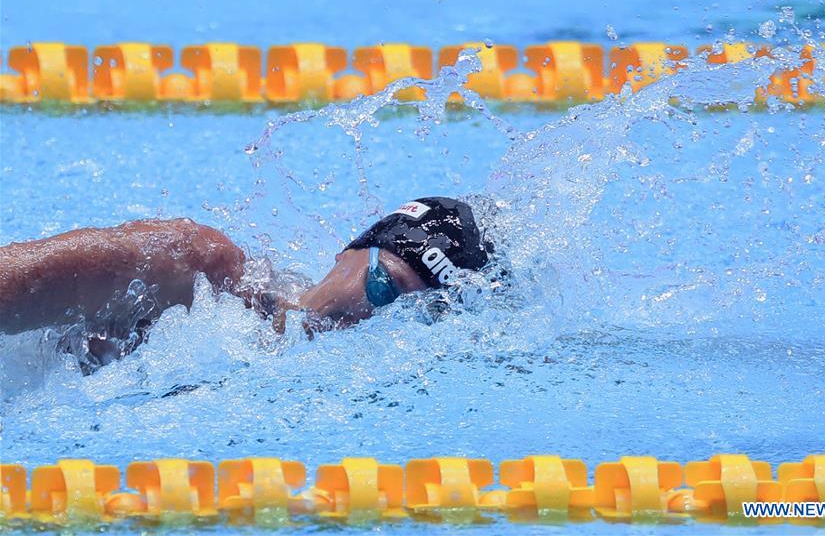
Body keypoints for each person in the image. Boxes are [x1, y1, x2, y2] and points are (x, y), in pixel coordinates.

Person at [0, 197, 491, 368]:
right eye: (385, 288)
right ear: (352, 251)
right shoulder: (195, 267)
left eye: (411, 319)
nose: (372, 318)